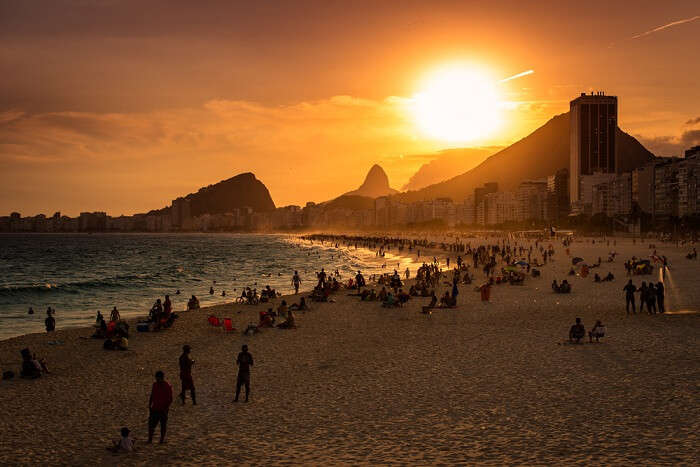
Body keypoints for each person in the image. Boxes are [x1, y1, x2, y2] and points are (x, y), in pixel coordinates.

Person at [148, 370, 173, 444]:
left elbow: (170, 399)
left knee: (163, 425)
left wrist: (166, 408)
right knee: (151, 424)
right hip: (155, 408)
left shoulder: (167, 386)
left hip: (163, 409)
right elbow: (152, 395)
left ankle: (161, 439)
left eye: (157, 378)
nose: (156, 379)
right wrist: (149, 404)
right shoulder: (155, 385)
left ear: (161, 377)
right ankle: (150, 439)